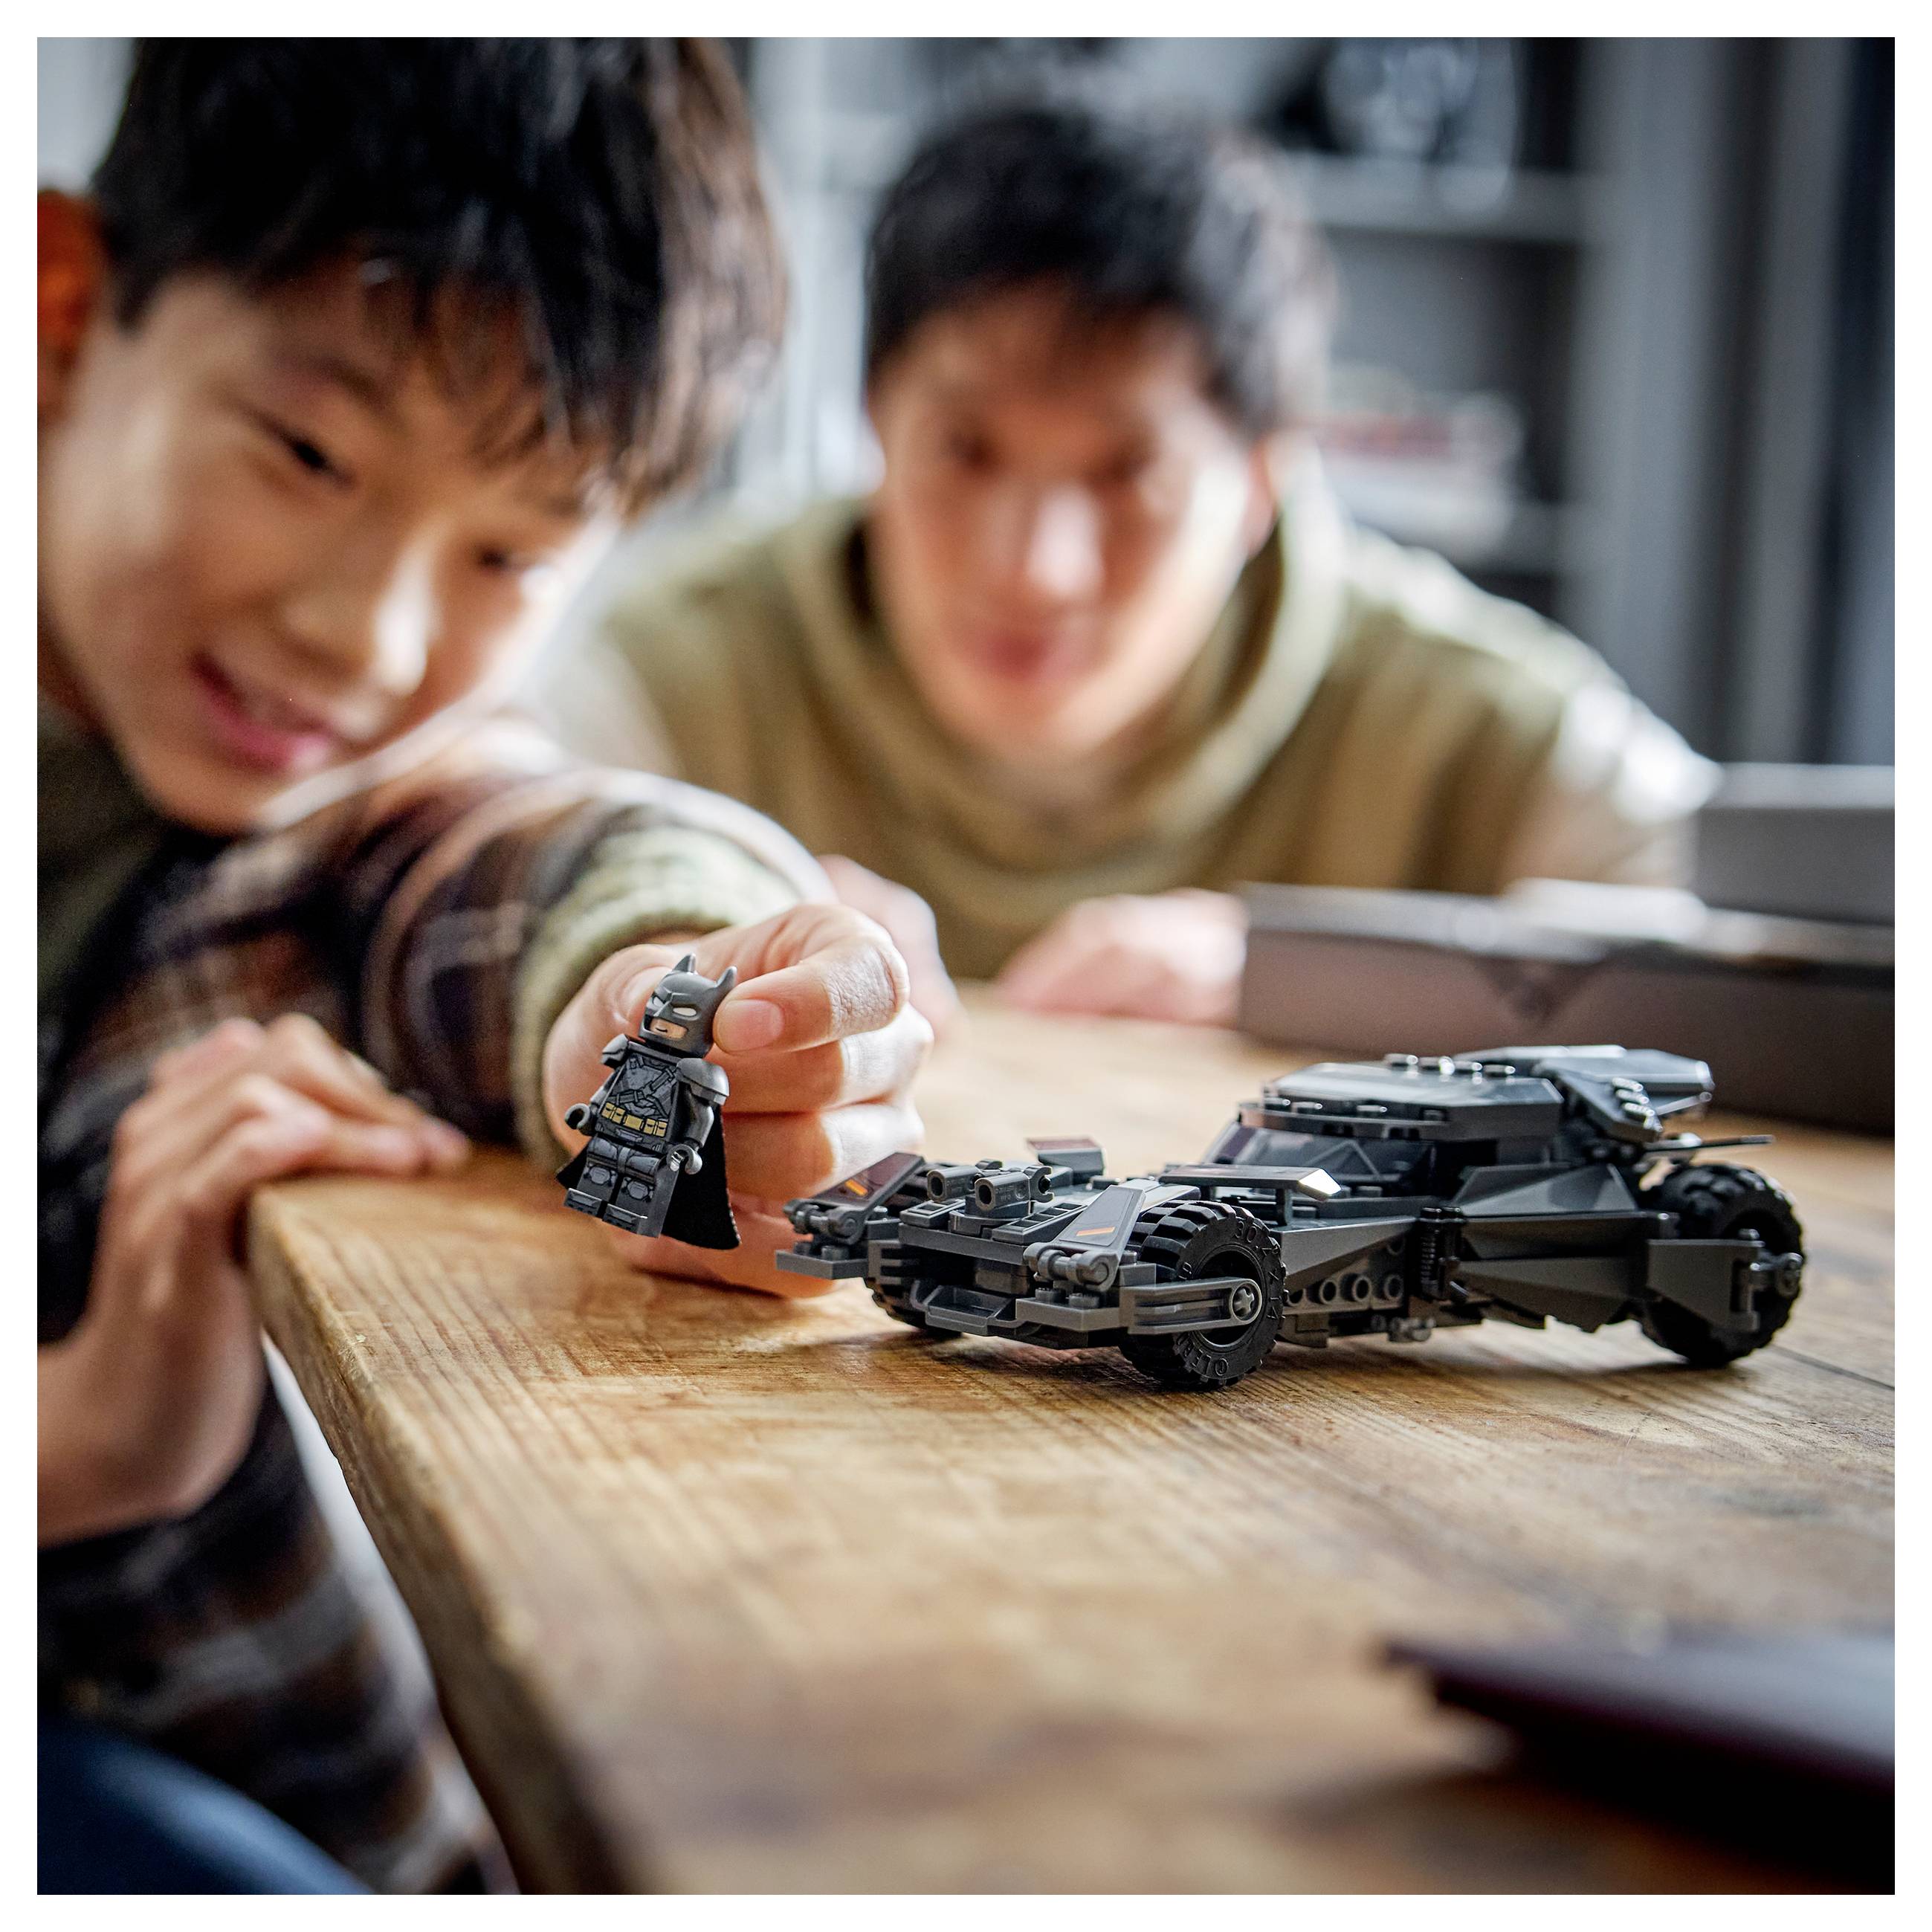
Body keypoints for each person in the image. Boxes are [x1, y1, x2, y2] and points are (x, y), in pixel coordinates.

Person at [39, 40, 927, 1893]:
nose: (362, 633)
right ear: (59, 313)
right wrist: (81, 1438)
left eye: (509, 553)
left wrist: (667, 989)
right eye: (306, 453)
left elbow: (532, 851)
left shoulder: (314, 829)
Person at [539, 91, 1716, 1027]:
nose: (1036, 567)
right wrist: (688, 922)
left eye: (1127, 477)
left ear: (1262, 481)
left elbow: (1751, 962)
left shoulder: (1480, 717)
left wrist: (1325, 977)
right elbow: (474, 877)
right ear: (870, 422)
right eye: (965, 452)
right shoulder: (675, 662)